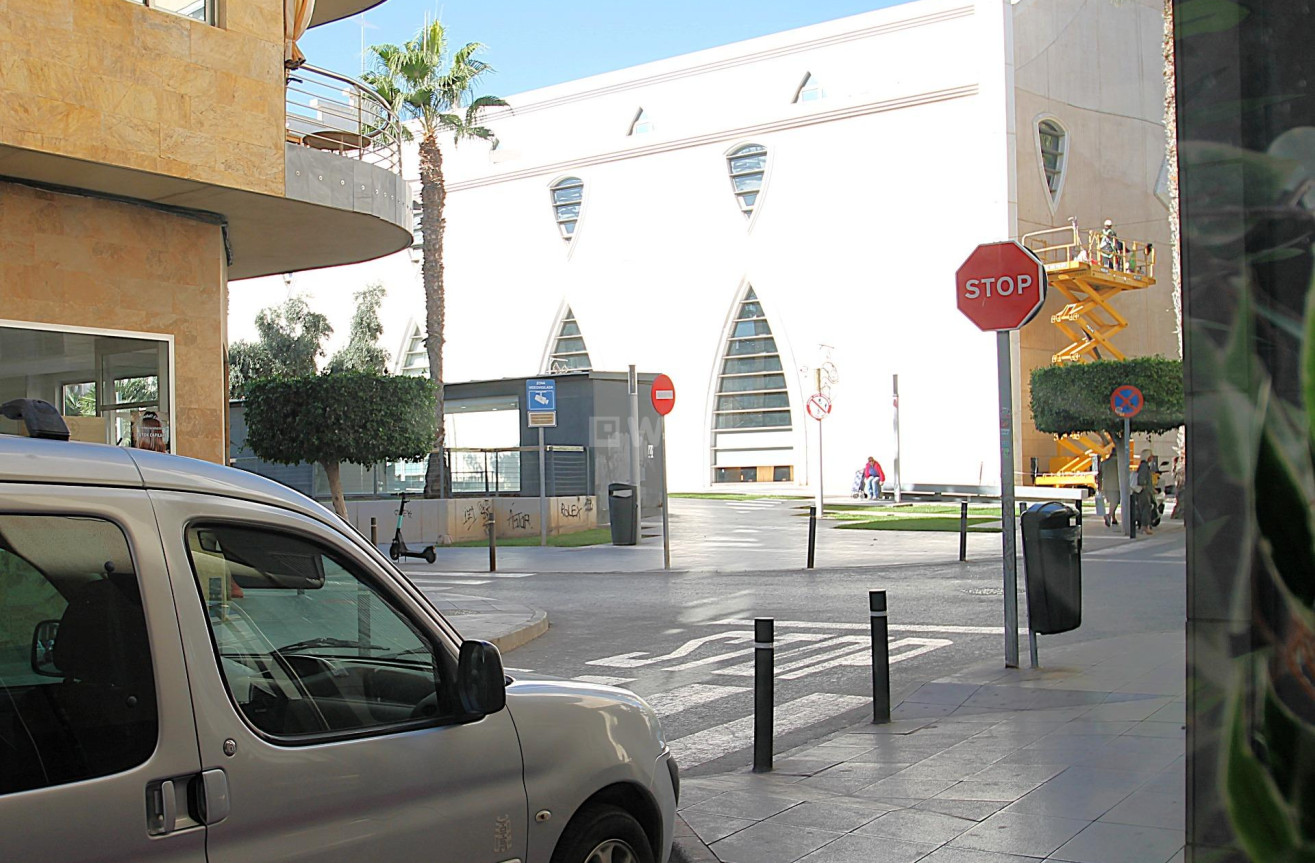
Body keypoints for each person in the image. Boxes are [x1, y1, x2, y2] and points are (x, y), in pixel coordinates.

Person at [1134, 450, 1159, 535]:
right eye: (1151, 456)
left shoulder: (1144, 466)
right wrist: (1145, 486)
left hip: (1145, 491)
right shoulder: (1144, 466)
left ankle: (1144, 526)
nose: (1152, 458)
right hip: (1144, 492)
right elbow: (1142, 479)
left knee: (1145, 508)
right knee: (1146, 508)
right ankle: (1145, 526)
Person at [1099, 453, 1121, 526]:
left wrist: (1100, 486)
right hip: (1116, 485)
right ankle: (1109, 515)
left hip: (1106, 485)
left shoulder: (1104, 463)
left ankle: (1113, 518)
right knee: (1114, 502)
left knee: (1112, 502)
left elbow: (1099, 475)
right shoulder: (1119, 462)